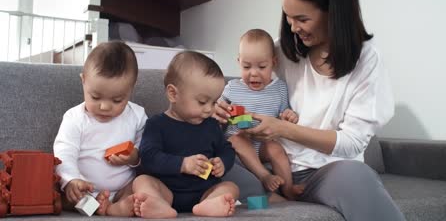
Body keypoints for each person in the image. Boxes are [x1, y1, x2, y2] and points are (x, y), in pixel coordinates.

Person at [215, 0, 406, 220]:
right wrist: (219, 107)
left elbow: (351, 143)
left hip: (326, 171)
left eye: (302, 18)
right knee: (217, 161)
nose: (293, 27)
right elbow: (246, 88)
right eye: (288, 17)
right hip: (267, 168)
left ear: (333, 12)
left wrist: (283, 129)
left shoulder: (367, 60)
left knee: (357, 177)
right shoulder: (281, 50)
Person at [132, 51, 239, 218]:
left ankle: (209, 205)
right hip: (166, 191)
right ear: (173, 94)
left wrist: (222, 163)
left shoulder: (211, 125)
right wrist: (182, 164)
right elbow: (148, 157)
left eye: (214, 102)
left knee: (231, 187)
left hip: (204, 191)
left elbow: (227, 150)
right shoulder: (156, 124)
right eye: (203, 102)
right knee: (142, 181)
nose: (209, 109)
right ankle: (158, 204)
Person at [54, 41, 147, 216]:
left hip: (123, 187)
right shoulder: (75, 118)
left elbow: (148, 148)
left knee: (143, 183)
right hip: (85, 187)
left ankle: (117, 206)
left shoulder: (138, 116)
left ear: (131, 89)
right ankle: (96, 207)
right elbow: (64, 152)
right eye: (95, 96)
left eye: (117, 100)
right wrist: (71, 180)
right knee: (67, 196)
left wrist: (134, 156)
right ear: (84, 81)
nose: (104, 107)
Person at [221, 28, 303, 200]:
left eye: (262, 66)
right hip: (239, 148)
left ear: (273, 63)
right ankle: (264, 176)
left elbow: (284, 115)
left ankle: (288, 189)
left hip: (263, 145)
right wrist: (218, 110)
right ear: (239, 62)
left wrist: (290, 115)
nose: (254, 73)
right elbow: (217, 108)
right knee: (236, 138)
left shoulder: (279, 88)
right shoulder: (232, 88)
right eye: (246, 66)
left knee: (276, 147)